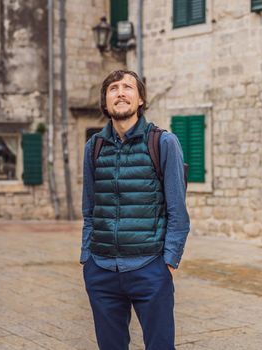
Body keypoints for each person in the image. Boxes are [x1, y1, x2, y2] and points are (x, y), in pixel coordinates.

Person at [80, 69, 190, 350]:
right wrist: (87, 257)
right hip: (102, 269)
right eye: (113, 88)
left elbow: (178, 210)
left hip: (149, 267)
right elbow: (89, 208)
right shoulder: (94, 147)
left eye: (128, 87)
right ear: (105, 102)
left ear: (140, 99)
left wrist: (167, 262)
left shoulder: (163, 142)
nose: (120, 92)